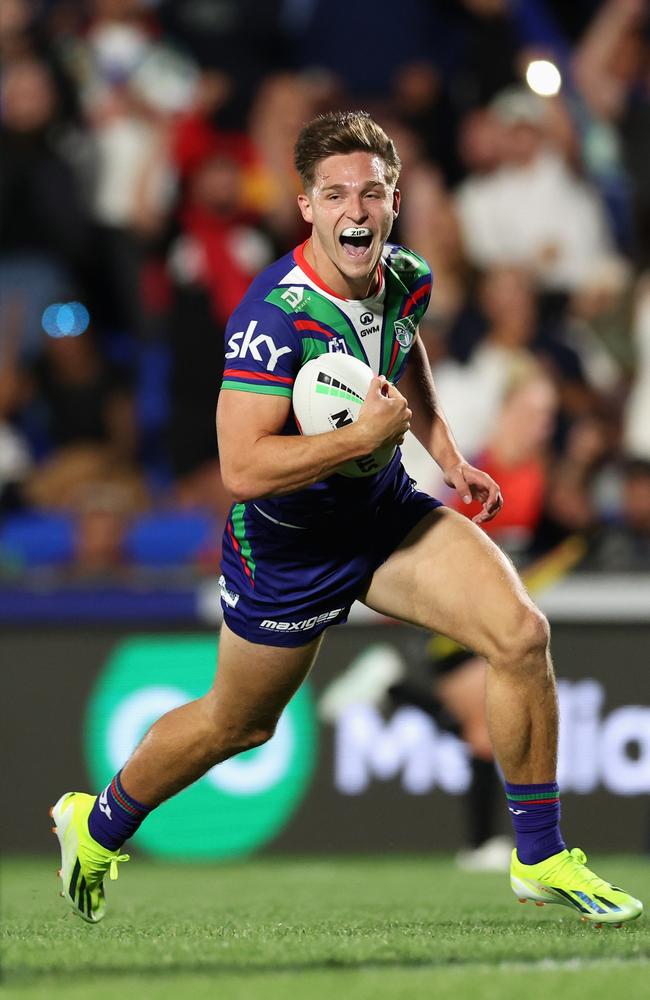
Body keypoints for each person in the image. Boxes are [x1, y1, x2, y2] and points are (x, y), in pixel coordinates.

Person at [51, 110, 642, 927]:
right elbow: (242, 469)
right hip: (290, 550)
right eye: (335, 195)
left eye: (371, 193)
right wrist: (362, 439)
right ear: (306, 206)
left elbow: (404, 350)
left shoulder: (405, 275)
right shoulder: (272, 319)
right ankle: (98, 822)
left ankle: (540, 857)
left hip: (384, 517)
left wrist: (445, 452)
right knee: (237, 724)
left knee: (520, 634)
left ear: (394, 200)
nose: (355, 212)